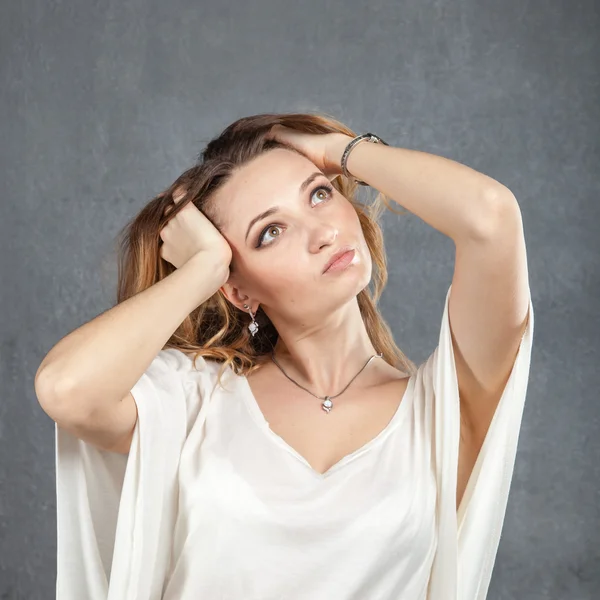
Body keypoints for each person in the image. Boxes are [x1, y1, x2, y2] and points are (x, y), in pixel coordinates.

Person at [35, 112, 534, 599]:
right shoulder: (194, 401)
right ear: (238, 289)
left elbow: (491, 216)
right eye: (271, 231)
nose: (323, 233)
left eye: (319, 194)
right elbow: (67, 389)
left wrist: (336, 151)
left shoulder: (446, 411)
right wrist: (204, 268)